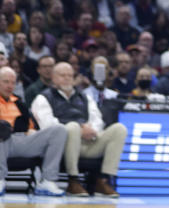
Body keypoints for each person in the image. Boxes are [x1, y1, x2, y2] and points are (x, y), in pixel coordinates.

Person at [30, 62, 128, 197]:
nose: (67, 78)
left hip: (88, 142)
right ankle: (73, 180)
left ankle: (103, 180)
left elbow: (97, 119)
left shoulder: (84, 97)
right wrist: (79, 128)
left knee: (119, 129)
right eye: (62, 75)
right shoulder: (44, 97)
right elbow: (47, 125)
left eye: (70, 75)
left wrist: (91, 130)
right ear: (53, 77)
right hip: (61, 146)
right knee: (72, 127)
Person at [0, 66, 66, 196]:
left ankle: (47, 181)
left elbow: (30, 126)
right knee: (2, 130)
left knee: (59, 130)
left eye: (13, 82)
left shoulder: (19, 102)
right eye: (5, 81)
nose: (10, 85)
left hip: (22, 141)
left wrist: (30, 130)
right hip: (3, 141)